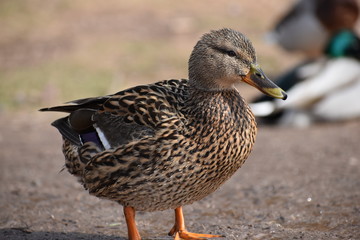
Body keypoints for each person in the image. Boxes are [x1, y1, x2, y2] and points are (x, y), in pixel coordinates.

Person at [250, 0, 360, 127]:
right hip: (295, 109)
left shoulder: (318, 62)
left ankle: (271, 104)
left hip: (288, 104)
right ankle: (275, 106)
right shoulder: (350, 68)